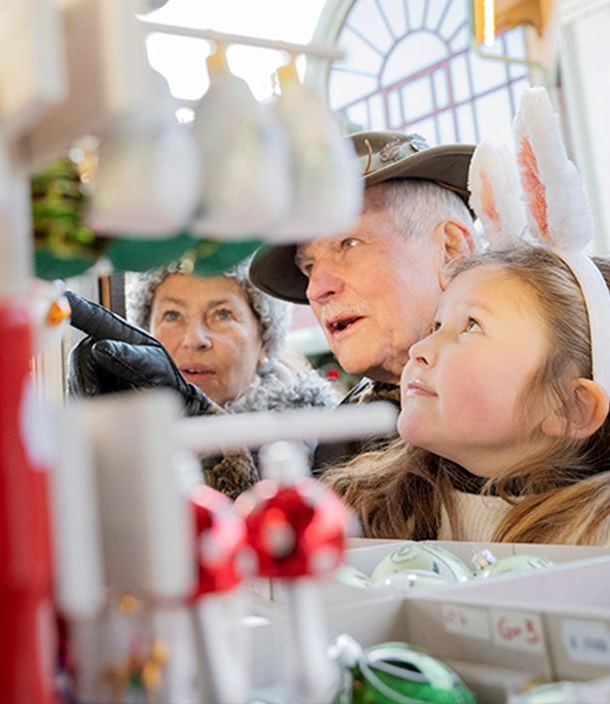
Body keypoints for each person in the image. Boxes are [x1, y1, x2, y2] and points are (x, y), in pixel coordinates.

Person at [324, 245, 610, 545]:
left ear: (569, 408)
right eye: (437, 325)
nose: (418, 350)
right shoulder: (357, 508)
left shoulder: (596, 541)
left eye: (471, 326)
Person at [249, 130, 480, 468]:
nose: (315, 289)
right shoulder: (339, 449)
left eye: (349, 244)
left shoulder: (552, 395)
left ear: (451, 249)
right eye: (309, 266)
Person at [66, 259, 338, 497]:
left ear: (264, 342)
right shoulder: (130, 443)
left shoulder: (324, 446)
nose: (194, 339)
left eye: (222, 314)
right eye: (172, 315)